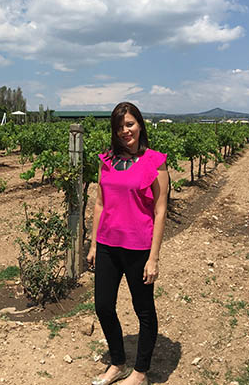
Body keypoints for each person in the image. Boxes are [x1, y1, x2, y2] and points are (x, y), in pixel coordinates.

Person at [87, 102, 169, 385]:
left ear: (140, 125)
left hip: (139, 248)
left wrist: (154, 258)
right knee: (103, 306)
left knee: (143, 310)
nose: (125, 131)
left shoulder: (155, 162)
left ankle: (141, 372)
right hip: (108, 244)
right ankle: (118, 363)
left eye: (130, 124)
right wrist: (94, 244)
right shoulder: (107, 160)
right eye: (120, 126)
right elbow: (100, 203)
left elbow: (160, 211)